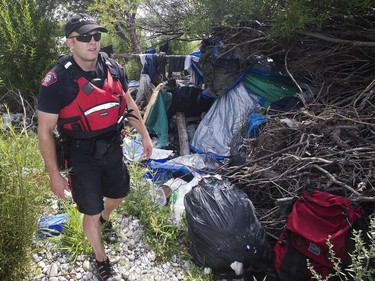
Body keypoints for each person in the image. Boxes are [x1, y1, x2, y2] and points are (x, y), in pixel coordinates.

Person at [37, 13, 153, 281]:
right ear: (70, 43)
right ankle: (101, 258)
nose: (93, 42)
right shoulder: (57, 80)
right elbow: (44, 131)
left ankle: (105, 217)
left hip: (113, 146)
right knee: (89, 209)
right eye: (85, 37)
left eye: (97, 36)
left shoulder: (112, 67)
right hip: (80, 154)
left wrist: (145, 135)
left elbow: (128, 104)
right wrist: (54, 175)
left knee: (119, 195)